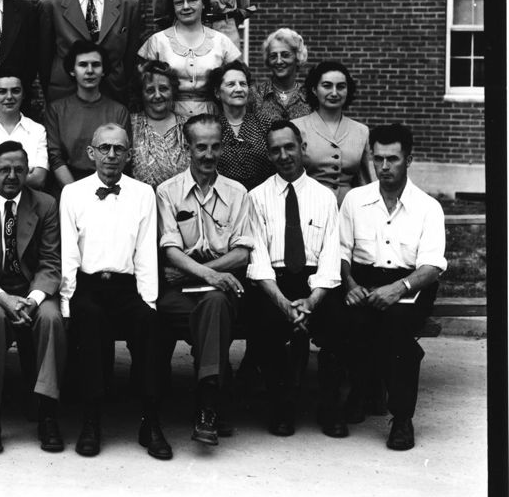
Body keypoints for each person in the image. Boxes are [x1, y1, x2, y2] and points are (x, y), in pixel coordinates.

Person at [59, 124, 171, 460]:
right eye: (104, 148)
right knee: (90, 326)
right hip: (88, 286)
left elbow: (146, 253)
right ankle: (91, 421)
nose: (111, 155)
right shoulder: (73, 193)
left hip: (127, 286)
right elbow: (68, 253)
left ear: (129, 154)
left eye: (118, 149)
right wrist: (67, 304)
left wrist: (148, 301)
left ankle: (150, 421)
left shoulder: (142, 193)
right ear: (91, 153)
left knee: (151, 329)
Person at [338, 123, 446, 451]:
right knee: (351, 319)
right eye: (379, 159)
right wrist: (350, 285)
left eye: (393, 159)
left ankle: (401, 419)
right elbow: (340, 252)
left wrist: (398, 289)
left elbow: (431, 267)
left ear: (408, 159)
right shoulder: (355, 200)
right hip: (363, 278)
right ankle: (362, 389)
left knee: (397, 330)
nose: (385, 167)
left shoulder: (428, 207)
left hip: (411, 283)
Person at [0, 140, 66, 454]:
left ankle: (47, 412)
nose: (11, 176)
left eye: (19, 169)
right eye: (4, 169)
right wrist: (4, 299)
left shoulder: (45, 204)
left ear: (28, 171)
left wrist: (31, 300)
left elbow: (50, 261)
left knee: (51, 318)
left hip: (33, 289)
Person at [156, 114, 253, 447]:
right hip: (181, 294)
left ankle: (207, 405)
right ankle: (213, 400)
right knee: (212, 311)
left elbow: (242, 253)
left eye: (215, 146)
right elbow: (169, 250)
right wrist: (214, 273)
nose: (208, 155)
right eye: (201, 147)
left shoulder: (237, 192)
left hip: (222, 292)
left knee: (214, 303)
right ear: (187, 147)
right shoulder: (167, 192)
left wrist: (197, 270)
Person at [246, 121, 346, 438]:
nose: (284, 155)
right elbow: (257, 256)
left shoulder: (325, 197)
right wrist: (283, 303)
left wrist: (312, 301)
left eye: (289, 147)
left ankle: (329, 409)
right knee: (264, 326)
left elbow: (332, 255)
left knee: (339, 325)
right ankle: (282, 408)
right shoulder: (256, 197)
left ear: (302, 148)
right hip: (273, 284)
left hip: (316, 283)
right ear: (269, 155)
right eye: (276, 150)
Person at [139, 0, 241, 118]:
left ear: (204, 3)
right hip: (167, 115)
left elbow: (237, 81)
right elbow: (143, 85)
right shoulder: (157, 41)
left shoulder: (221, 41)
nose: (186, 7)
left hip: (212, 118)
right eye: (179, 2)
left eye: (192, 0)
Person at [44, 41, 129, 188]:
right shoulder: (56, 110)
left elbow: (123, 156)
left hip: (109, 185)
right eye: (83, 65)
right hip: (69, 185)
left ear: (103, 70)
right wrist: (76, 192)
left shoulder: (119, 111)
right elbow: (55, 158)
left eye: (95, 65)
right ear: (72, 70)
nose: (90, 71)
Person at [291, 60, 372, 206]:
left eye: (341, 87)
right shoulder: (296, 128)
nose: (334, 93)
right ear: (314, 90)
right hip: (309, 207)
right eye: (327, 86)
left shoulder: (361, 131)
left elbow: (364, 182)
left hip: (348, 211)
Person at [0, 73, 48, 193]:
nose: (9, 96)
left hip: (30, 204)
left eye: (16, 91)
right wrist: (26, 178)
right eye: (2, 91)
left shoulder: (37, 130)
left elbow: (39, 179)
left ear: (24, 95)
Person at [209, 60, 275, 190]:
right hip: (222, 198)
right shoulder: (211, 127)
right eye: (231, 84)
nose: (238, 89)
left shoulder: (265, 124)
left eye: (243, 84)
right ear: (217, 93)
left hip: (261, 199)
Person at [129, 61, 190, 189]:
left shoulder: (188, 126)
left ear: (173, 90)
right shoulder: (131, 125)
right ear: (141, 94)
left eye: (163, 88)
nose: (157, 95)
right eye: (150, 90)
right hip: (143, 204)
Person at [250, 28, 311, 121]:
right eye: (273, 56)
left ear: (297, 57)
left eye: (285, 55)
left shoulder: (309, 96)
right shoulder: (256, 95)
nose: (279, 61)